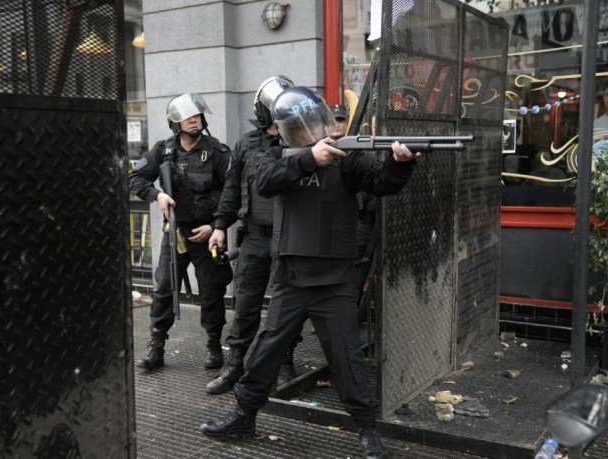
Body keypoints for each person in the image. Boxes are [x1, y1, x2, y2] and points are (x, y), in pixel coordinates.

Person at [199, 86, 419, 459]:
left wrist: (400, 163)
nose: (311, 133)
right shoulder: (273, 157)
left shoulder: (346, 158)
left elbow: (382, 183)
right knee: (266, 349)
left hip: (334, 281)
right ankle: (244, 415)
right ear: (287, 132)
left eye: (314, 125)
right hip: (291, 278)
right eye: (301, 129)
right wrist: (307, 159)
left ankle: (367, 429)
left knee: (347, 357)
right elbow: (264, 182)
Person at [206, 75, 303, 395]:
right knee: (245, 302)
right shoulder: (246, 143)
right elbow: (232, 189)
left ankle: (284, 361)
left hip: (290, 236)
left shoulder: (302, 140)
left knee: (286, 304)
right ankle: (235, 363)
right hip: (254, 238)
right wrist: (220, 226)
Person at [130, 93, 233, 371]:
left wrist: (216, 226)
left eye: (197, 116)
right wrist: (156, 196)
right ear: (175, 123)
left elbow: (234, 194)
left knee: (211, 291)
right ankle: (157, 346)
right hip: (175, 232)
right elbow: (136, 178)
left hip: (208, 235)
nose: (193, 121)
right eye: (188, 117)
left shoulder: (218, 153)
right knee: (163, 288)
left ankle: (214, 345)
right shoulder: (163, 151)